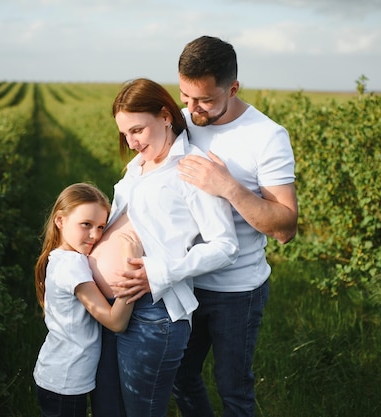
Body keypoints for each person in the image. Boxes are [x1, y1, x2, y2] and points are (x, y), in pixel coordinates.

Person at [89, 78, 239, 417]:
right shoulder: (138, 165)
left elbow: (226, 245)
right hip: (115, 308)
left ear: (166, 115)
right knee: (111, 406)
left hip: (153, 314)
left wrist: (158, 273)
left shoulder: (192, 168)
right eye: (124, 134)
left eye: (137, 130)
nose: (131, 142)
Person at [168, 35, 299, 417]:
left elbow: (286, 227)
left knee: (234, 390)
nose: (192, 109)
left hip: (236, 292)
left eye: (205, 100)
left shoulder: (267, 136)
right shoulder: (184, 120)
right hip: (186, 281)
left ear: (233, 88)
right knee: (180, 374)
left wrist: (228, 187)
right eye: (185, 96)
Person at [32, 182, 142, 417]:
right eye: (86, 225)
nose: (95, 235)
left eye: (101, 227)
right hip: (65, 381)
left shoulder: (64, 257)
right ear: (60, 221)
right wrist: (132, 272)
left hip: (56, 373)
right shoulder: (71, 266)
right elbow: (116, 322)